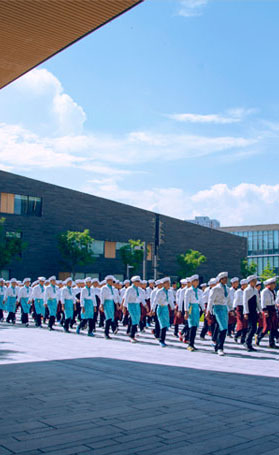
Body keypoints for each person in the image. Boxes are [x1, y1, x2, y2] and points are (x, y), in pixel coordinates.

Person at [207, 272, 230, 356]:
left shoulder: (227, 289)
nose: (226, 280)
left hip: (224, 309)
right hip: (217, 308)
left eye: (226, 278)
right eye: (224, 278)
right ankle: (220, 347)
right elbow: (210, 300)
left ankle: (217, 345)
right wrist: (208, 311)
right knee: (223, 328)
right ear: (221, 279)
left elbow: (229, 300)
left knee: (223, 327)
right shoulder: (216, 288)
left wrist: (231, 309)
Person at [123, 276, 148, 343]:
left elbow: (142, 299)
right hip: (131, 305)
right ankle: (132, 335)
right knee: (134, 320)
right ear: (133, 282)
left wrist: (146, 306)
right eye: (137, 281)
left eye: (139, 281)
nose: (139, 283)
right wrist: (124, 307)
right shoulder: (129, 289)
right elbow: (126, 299)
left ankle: (131, 332)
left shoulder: (140, 290)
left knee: (136, 320)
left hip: (137, 306)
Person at [257, 277, 278, 348]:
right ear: (270, 284)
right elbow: (262, 302)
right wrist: (265, 311)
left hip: (272, 309)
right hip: (267, 309)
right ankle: (259, 337)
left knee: (274, 327)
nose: (275, 285)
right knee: (267, 327)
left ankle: (271, 343)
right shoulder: (264, 291)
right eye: (273, 284)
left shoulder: (273, 291)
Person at [184, 274, 203, 351]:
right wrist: (186, 311)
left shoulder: (199, 291)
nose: (197, 282)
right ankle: (190, 344)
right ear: (192, 282)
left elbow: (201, 301)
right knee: (191, 326)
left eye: (197, 281)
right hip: (191, 308)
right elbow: (186, 301)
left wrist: (204, 309)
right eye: (195, 281)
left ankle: (192, 343)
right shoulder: (188, 291)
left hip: (197, 309)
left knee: (195, 326)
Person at [243, 275, 262, 352]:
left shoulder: (255, 290)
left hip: (254, 311)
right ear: (250, 282)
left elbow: (257, 302)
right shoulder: (247, 290)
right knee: (252, 327)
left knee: (254, 328)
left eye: (255, 281)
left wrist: (260, 311)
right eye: (253, 281)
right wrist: (246, 312)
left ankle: (248, 343)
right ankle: (247, 343)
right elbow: (245, 302)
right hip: (249, 311)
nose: (255, 282)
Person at [154, 277, 175, 347]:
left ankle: (162, 338)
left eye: (169, 283)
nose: (169, 285)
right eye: (167, 283)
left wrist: (173, 308)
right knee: (162, 324)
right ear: (164, 284)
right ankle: (161, 340)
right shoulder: (159, 291)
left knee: (165, 324)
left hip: (166, 308)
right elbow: (155, 301)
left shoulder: (169, 292)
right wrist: (152, 309)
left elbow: (170, 301)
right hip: (160, 308)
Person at [100, 275, 116, 339]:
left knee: (111, 317)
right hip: (106, 303)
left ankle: (113, 328)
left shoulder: (112, 288)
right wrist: (102, 304)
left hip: (111, 303)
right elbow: (102, 296)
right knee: (108, 318)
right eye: (111, 281)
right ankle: (106, 333)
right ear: (108, 281)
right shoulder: (104, 288)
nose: (112, 282)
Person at [233, 279, 248, 344]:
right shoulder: (238, 291)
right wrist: (234, 308)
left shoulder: (247, 291)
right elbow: (236, 300)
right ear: (242, 285)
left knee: (246, 324)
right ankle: (237, 335)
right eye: (245, 284)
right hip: (239, 308)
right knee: (241, 323)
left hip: (246, 308)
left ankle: (243, 339)